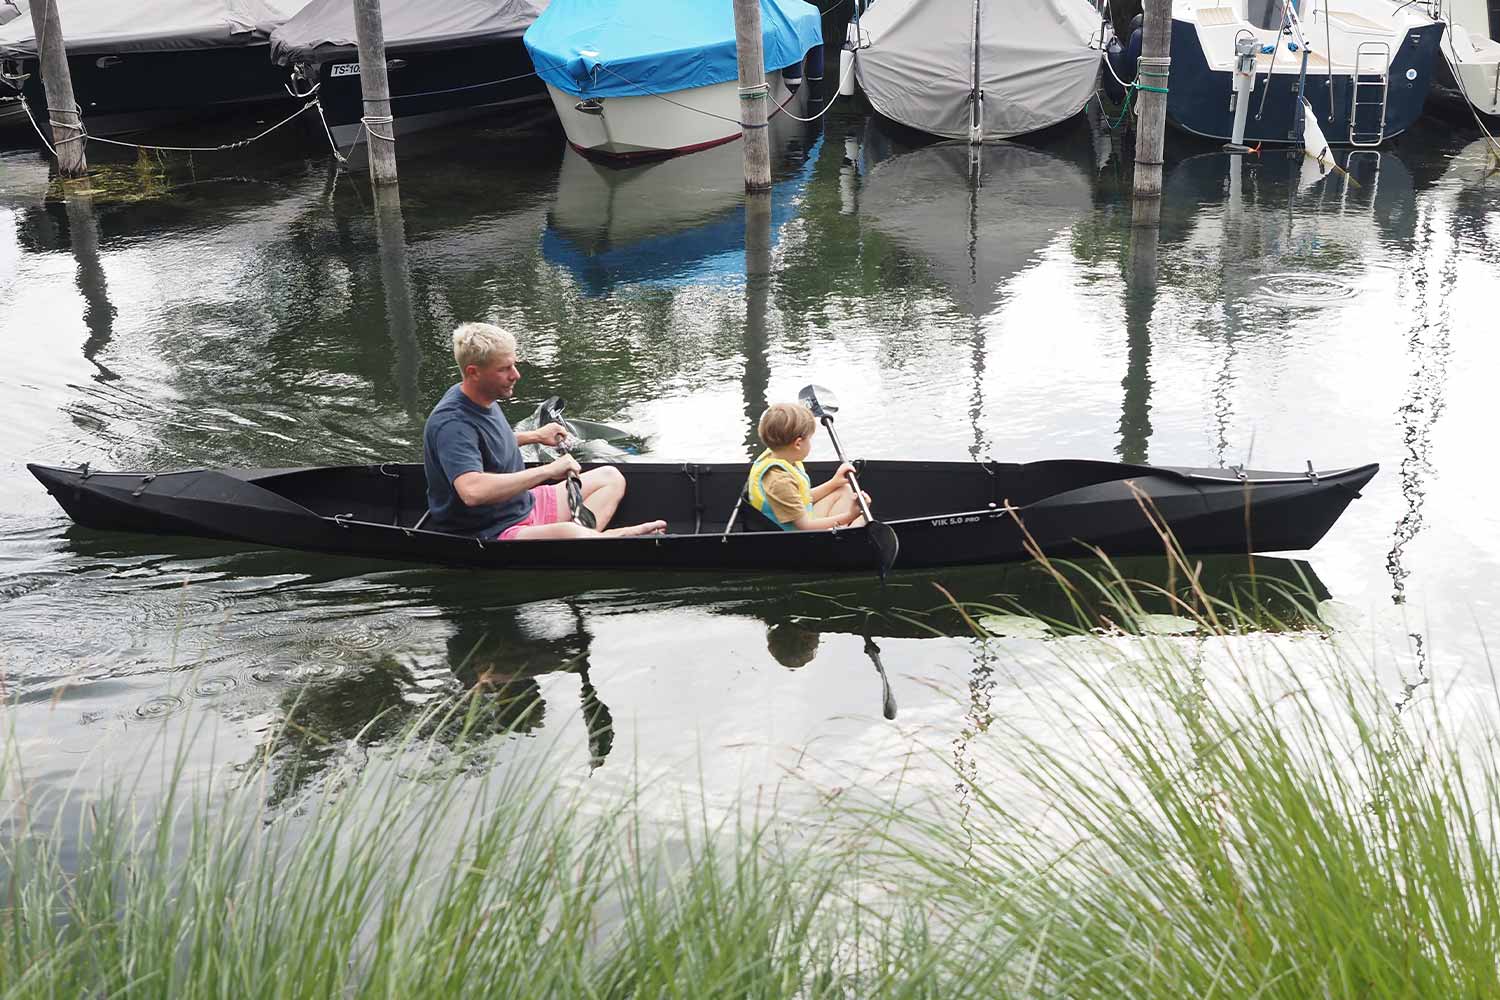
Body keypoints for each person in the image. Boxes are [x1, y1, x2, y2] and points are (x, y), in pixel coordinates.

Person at [423, 322, 666, 540]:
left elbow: (487, 445)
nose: (515, 375)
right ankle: (610, 537)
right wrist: (548, 470)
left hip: (523, 505)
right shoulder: (452, 423)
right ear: (473, 372)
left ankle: (587, 539)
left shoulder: (482, 396)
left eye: (513, 365)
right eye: (504, 369)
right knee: (572, 534)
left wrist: (536, 436)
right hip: (491, 529)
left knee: (610, 477)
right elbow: (472, 491)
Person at [746, 402, 870, 531]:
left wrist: (833, 483)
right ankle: (840, 539)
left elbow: (801, 498)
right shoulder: (780, 481)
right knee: (862, 519)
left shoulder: (775, 456)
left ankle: (841, 529)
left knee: (843, 489)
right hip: (800, 538)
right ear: (798, 443)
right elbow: (805, 527)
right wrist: (850, 515)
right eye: (809, 439)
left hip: (798, 521)